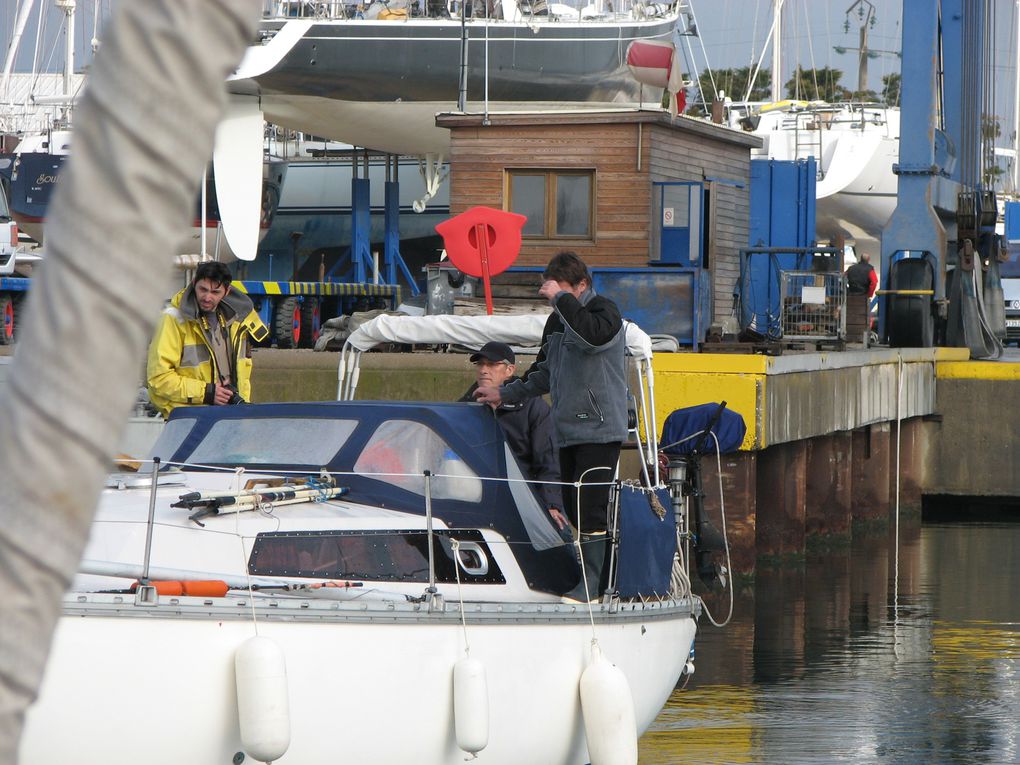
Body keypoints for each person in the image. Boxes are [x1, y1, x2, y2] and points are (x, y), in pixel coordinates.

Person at [473, 251, 628, 600]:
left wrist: (560, 299)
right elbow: (543, 373)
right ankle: (590, 578)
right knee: (574, 508)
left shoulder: (605, 312)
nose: (554, 300)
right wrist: (504, 392)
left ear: (582, 285)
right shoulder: (557, 321)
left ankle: (594, 585)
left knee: (591, 510)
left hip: (600, 429)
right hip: (567, 431)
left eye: (562, 290)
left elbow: (592, 338)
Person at [459, 341, 569, 536]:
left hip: (524, 496)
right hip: (476, 495)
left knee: (558, 531)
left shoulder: (533, 408)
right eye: (480, 364)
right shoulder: (464, 408)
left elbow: (548, 459)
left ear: (509, 370)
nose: (484, 370)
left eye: (492, 365)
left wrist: (550, 505)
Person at [146, 261, 268, 419]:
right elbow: (158, 379)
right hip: (188, 420)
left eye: (215, 292)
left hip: (229, 417)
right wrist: (207, 393)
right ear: (194, 283)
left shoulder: (238, 320)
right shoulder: (173, 319)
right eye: (203, 289)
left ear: (226, 291)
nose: (207, 297)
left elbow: (243, 374)